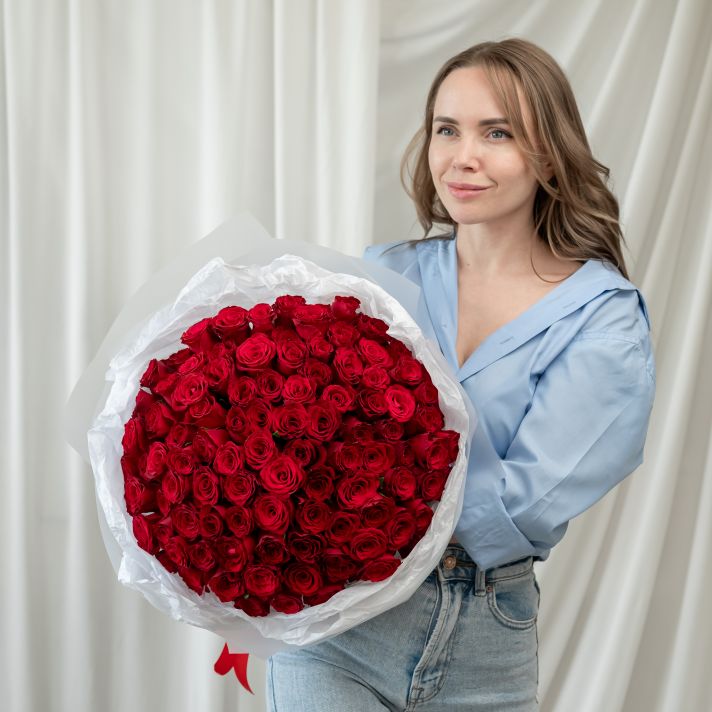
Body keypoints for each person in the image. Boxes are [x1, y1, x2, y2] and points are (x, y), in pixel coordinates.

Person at [266, 37, 656, 711]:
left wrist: (361, 488)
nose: (462, 156)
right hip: (338, 623)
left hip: (481, 636)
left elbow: (524, 503)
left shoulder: (603, 317)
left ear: (548, 152)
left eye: (497, 133)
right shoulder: (382, 275)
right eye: (447, 129)